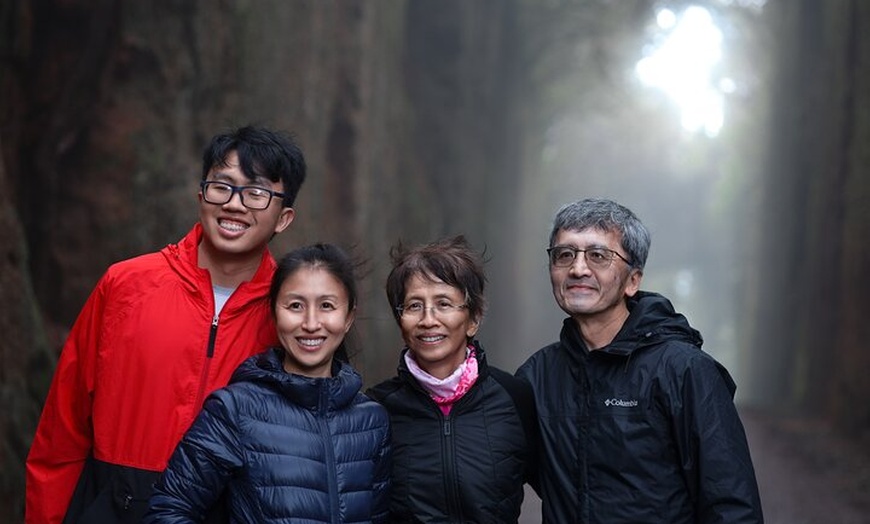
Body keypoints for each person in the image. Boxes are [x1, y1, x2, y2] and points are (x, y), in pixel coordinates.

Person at [25, 125, 307, 523]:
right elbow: (61, 435)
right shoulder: (125, 286)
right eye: (222, 186)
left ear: (283, 218)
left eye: (257, 193)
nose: (235, 204)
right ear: (201, 195)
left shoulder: (291, 317)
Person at [516, 198, 764, 523]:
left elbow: (732, 504)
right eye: (564, 254)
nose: (578, 269)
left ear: (633, 280)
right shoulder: (535, 379)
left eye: (598, 256)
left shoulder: (685, 371)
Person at [144, 243, 392, 522]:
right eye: (295, 306)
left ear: (348, 318)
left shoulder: (372, 420)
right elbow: (168, 511)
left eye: (326, 306)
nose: (311, 323)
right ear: (274, 313)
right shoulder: (234, 410)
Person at [367, 235, 538, 523]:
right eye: (413, 306)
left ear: (474, 319)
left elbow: (565, 493)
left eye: (444, 304)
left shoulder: (514, 397)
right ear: (401, 321)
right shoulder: (376, 409)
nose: (428, 319)